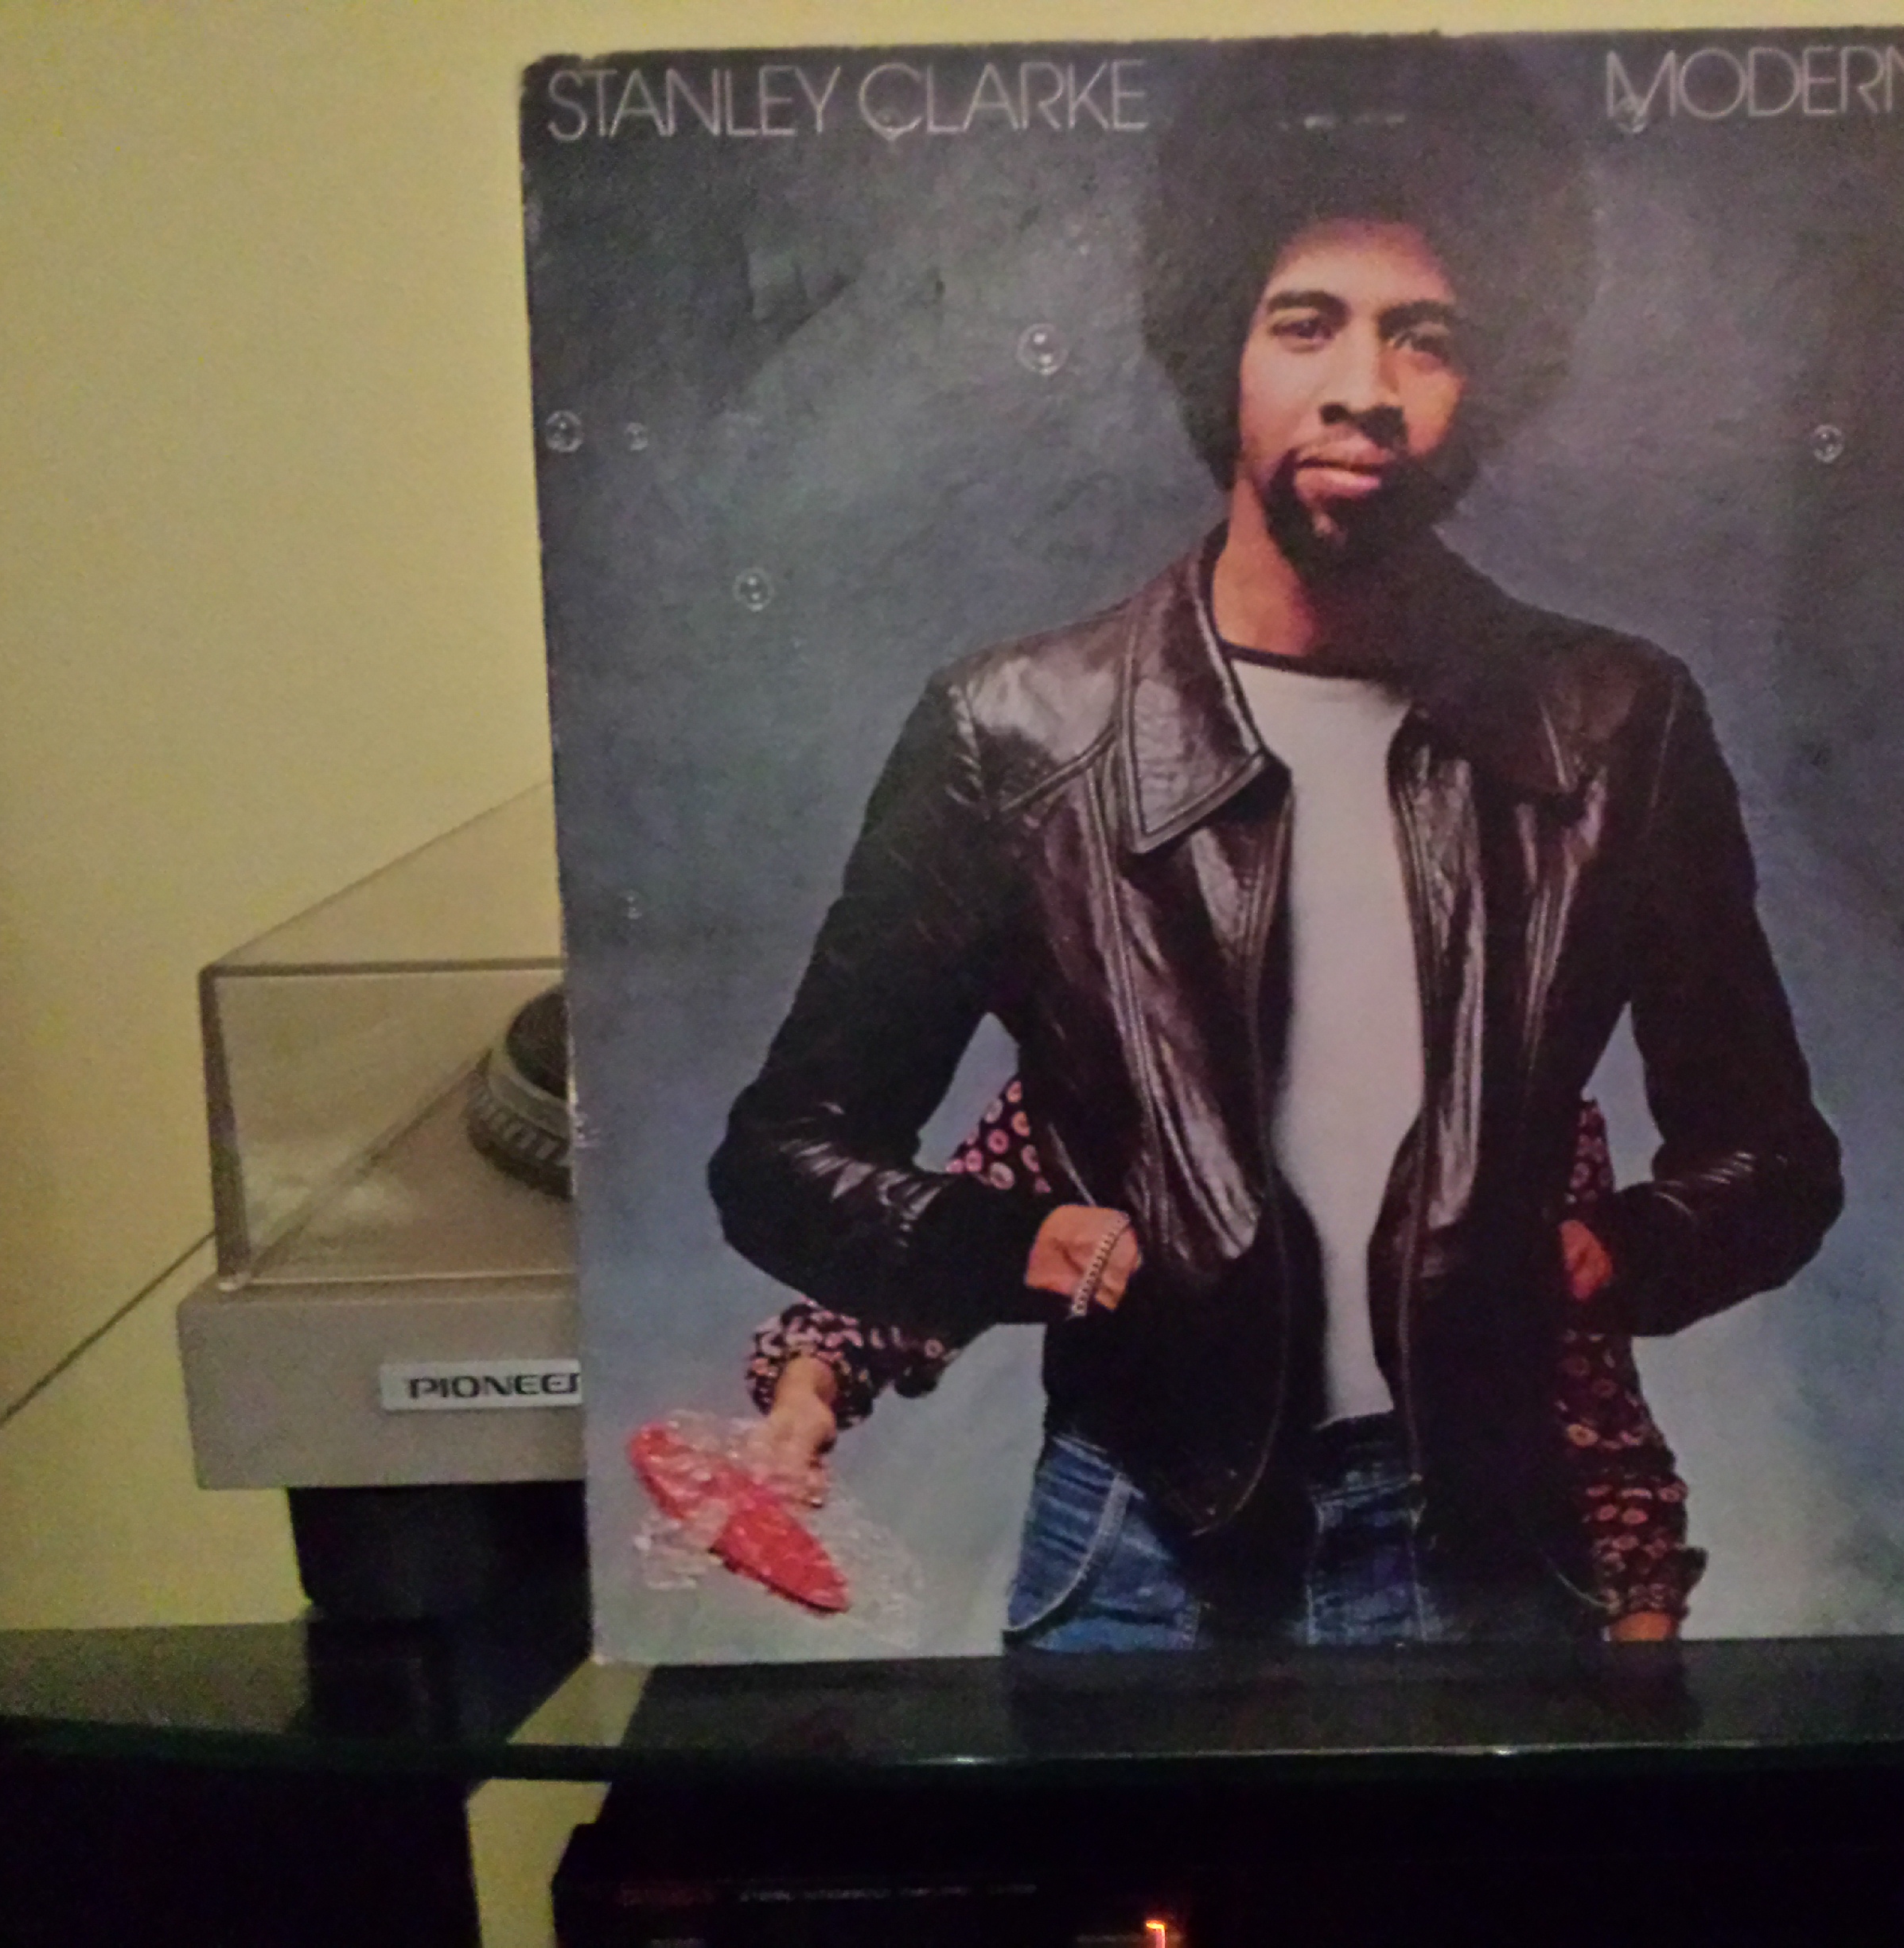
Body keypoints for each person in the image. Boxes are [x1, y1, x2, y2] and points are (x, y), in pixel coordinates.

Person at [710, 39, 1841, 1649]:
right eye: (1305, 321)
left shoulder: (1615, 724)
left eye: (1424, 337)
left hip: (1480, 1535)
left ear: (1485, 384)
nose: (1363, 384)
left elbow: (1770, 1162)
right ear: (1220, 351)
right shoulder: (1014, 730)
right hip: (1132, 1539)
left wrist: (1598, 1259)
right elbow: (787, 1154)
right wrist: (1016, 1247)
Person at [742, 1083, 1707, 1639]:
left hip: (1438, 1546)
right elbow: (936, 1254)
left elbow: (1589, 1394)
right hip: (1137, 1535)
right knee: (1118, 1894)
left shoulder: (1526, 1095)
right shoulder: (1103, 1062)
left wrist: (1642, 1620)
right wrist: (808, 1389)